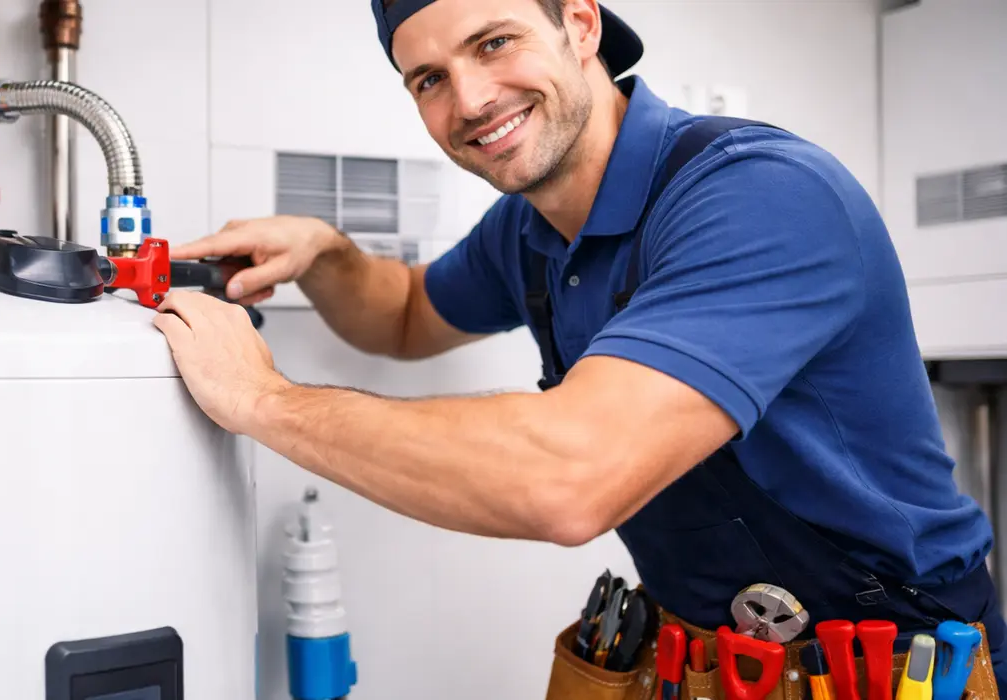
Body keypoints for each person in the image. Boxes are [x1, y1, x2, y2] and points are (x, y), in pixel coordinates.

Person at [151, 0, 1006, 689]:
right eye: (429, 79)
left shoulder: (758, 197)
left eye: (495, 42)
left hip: (894, 666)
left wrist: (261, 398)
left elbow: (567, 481)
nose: (472, 99)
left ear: (582, 24)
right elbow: (407, 314)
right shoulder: (528, 229)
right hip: (698, 661)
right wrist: (324, 251)